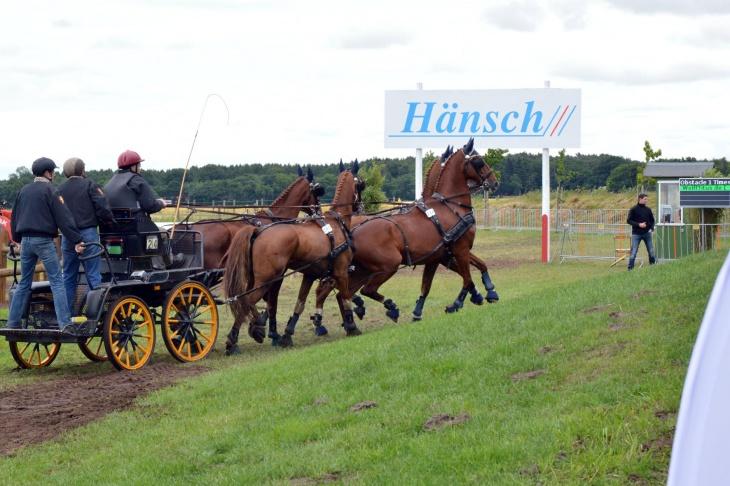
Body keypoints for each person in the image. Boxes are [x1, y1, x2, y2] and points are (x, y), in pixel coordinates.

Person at [6, 157, 85, 332]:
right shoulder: (50, 190)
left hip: (26, 241)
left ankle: (12, 323)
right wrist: (77, 240)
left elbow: (15, 217)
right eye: (53, 171)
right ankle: (65, 324)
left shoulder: (23, 190)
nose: (54, 175)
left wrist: (17, 239)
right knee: (57, 281)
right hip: (43, 241)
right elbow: (64, 218)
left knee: (24, 283)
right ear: (48, 173)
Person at [104, 149, 181, 267]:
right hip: (136, 227)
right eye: (139, 165)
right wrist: (161, 203)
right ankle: (167, 262)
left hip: (113, 230)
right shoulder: (136, 180)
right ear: (133, 166)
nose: (140, 168)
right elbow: (150, 206)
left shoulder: (110, 182)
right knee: (163, 233)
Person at [58, 157, 115, 314]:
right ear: (82, 170)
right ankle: (94, 313)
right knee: (93, 274)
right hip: (88, 233)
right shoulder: (90, 185)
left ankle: (67, 315)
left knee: (68, 275)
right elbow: (102, 207)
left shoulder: (60, 189)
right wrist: (110, 222)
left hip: (68, 236)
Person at [626, 193, 656, 270]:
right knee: (634, 251)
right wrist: (639, 224)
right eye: (645, 199)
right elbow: (629, 220)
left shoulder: (648, 210)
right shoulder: (633, 209)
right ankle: (630, 269)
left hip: (647, 234)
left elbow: (652, 220)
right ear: (640, 199)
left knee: (651, 251)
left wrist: (651, 228)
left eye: (647, 199)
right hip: (636, 234)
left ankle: (653, 267)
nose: (646, 200)